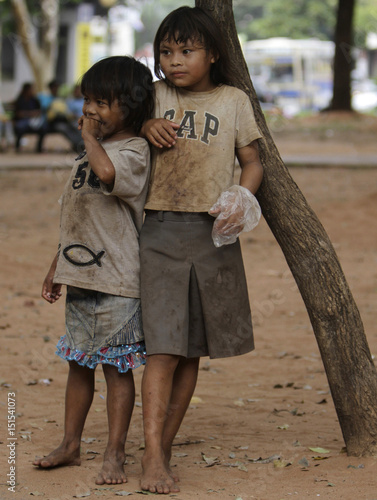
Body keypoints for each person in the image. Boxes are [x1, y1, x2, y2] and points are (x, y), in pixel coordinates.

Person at [139, 6, 264, 495]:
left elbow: (251, 161)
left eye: (186, 51)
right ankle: (151, 455)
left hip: (213, 238)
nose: (175, 61)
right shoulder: (154, 95)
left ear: (212, 54)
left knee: (190, 353)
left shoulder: (233, 100)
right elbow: (121, 134)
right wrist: (146, 125)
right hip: (158, 233)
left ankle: (163, 447)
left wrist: (243, 195)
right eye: (166, 51)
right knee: (162, 351)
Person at [33, 55, 154, 485]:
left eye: (102, 102)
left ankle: (116, 453)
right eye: (87, 100)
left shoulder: (135, 150)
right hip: (81, 277)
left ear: (131, 107)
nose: (90, 110)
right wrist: (56, 268)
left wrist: (88, 139)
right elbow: (75, 217)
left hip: (119, 281)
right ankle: (71, 443)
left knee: (116, 368)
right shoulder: (87, 155)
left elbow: (108, 174)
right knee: (78, 364)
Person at [13, 82, 48, 152]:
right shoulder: (20, 100)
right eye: (31, 89)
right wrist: (31, 113)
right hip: (22, 121)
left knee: (44, 127)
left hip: (34, 121)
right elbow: (18, 114)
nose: (33, 91)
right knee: (20, 127)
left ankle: (39, 147)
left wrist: (28, 114)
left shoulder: (34, 100)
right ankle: (17, 146)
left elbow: (39, 112)